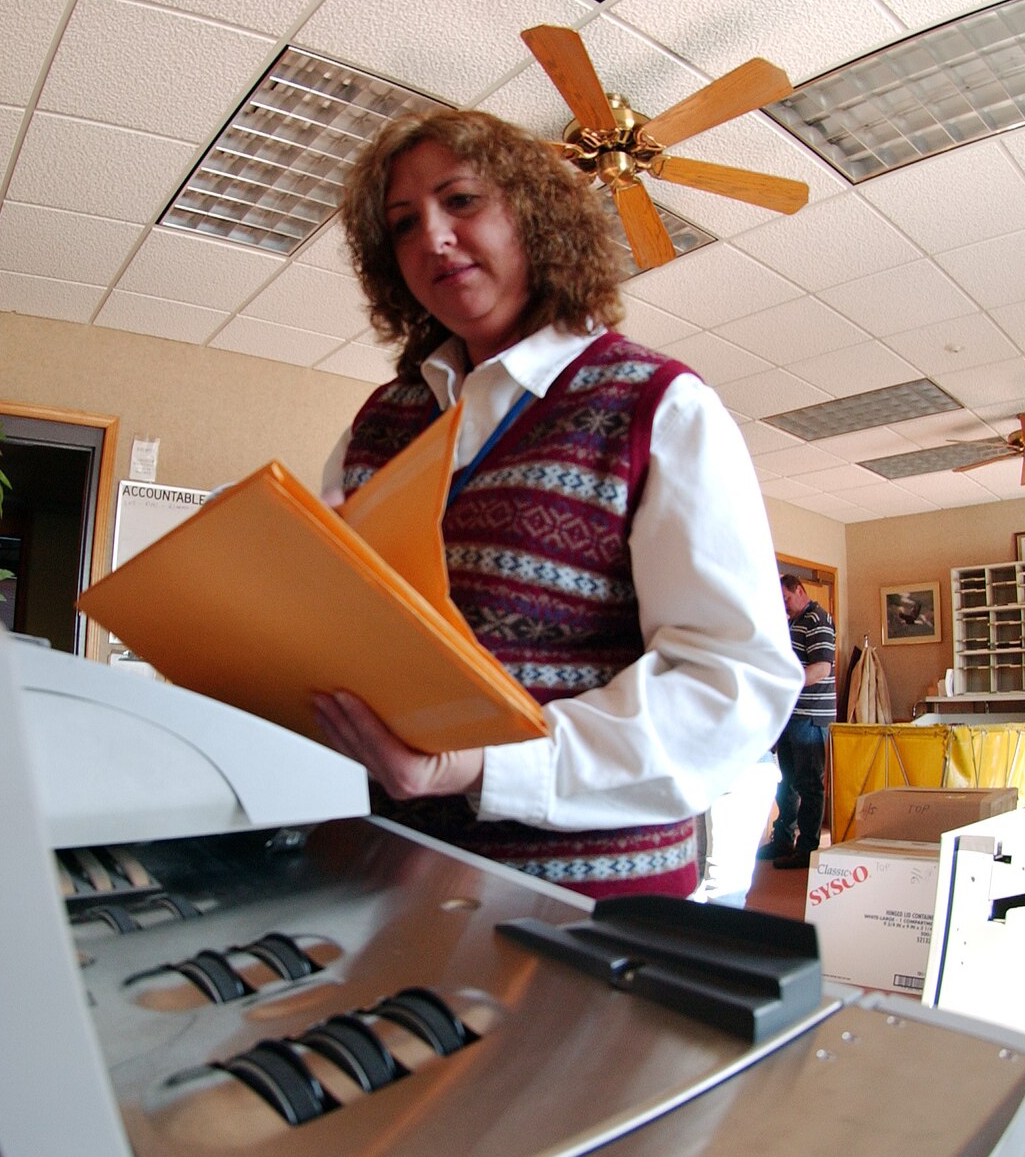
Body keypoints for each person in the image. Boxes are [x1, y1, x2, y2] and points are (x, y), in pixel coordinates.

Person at [309, 107, 802, 900]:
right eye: (403, 224)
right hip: (384, 880)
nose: (431, 236)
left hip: (581, 911)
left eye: (460, 201)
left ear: (536, 219)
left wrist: (487, 767)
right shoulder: (380, 422)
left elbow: (727, 686)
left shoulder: (658, 407)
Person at [758, 575, 836, 869]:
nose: (784, 605)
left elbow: (821, 668)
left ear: (800, 591)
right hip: (789, 715)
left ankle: (807, 848)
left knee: (809, 783)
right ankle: (783, 840)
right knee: (786, 782)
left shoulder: (818, 619)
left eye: (786, 599)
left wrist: (784, 682)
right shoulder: (790, 622)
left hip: (811, 716)